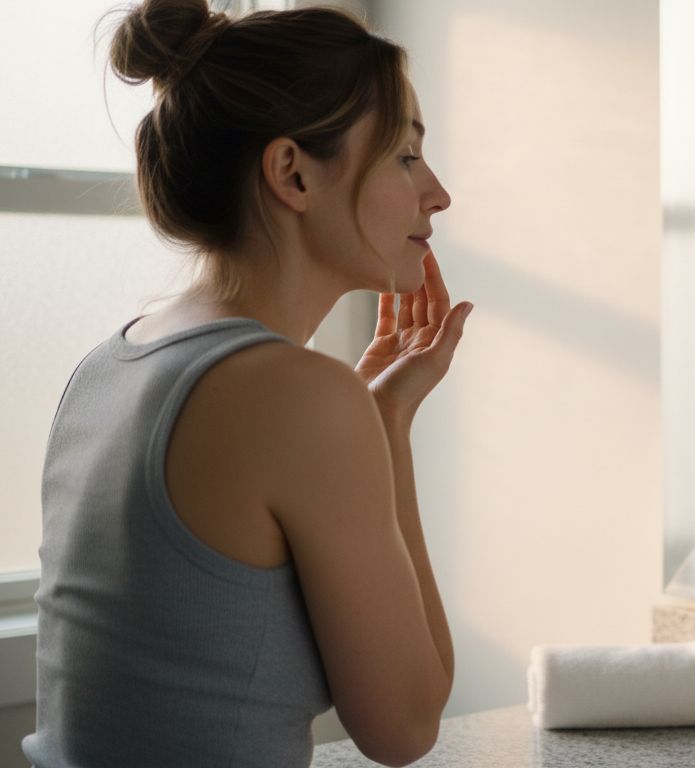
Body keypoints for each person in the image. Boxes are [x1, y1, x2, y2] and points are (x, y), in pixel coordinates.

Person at [24, 1, 465, 765]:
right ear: (292, 173)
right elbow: (407, 726)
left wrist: (378, 414)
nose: (437, 192)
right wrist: (385, 430)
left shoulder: (106, 367)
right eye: (404, 154)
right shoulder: (301, 397)